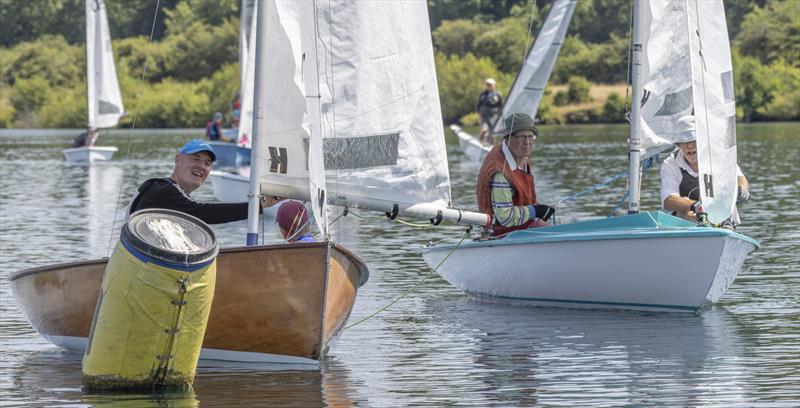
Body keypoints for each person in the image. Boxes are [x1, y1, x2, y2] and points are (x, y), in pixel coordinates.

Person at [129, 139, 278, 224]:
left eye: (207, 163)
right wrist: (259, 205)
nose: (201, 166)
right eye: (195, 159)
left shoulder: (177, 197)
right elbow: (202, 212)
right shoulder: (163, 190)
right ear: (178, 159)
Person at [660, 116, 750, 228]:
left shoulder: (719, 156)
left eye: (693, 140)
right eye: (684, 141)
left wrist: (742, 189)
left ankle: (722, 225)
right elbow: (668, 200)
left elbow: (740, 179)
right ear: (678, 144)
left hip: (720, 213)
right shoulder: (670, 164)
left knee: (720, 210)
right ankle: (705, 226)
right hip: (686, 219)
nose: (689, 146)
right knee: (684, 211)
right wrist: (695, 206)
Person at [476, 113, 555, 237]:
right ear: (509, 138)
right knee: (553, 233)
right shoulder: (500, 171)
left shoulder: (519, 155)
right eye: (522, 137)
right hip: (502, 236)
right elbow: (505, 217)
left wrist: (539, 209)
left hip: (521, 229)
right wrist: (535, 211)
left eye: (531, 137)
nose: (527, 142)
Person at [476, 78, 503, 144]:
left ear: (494, 85)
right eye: (487, 84)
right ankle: (480, 143)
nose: (488, 86)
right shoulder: (482, 94)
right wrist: (479, 113)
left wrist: (500, 115)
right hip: (484, 116)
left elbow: (501, 106)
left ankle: (492, 146)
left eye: (490, 85)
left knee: (492, 132)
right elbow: (478, 105)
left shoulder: (498, 94)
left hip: (493, 116)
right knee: (484, 130)